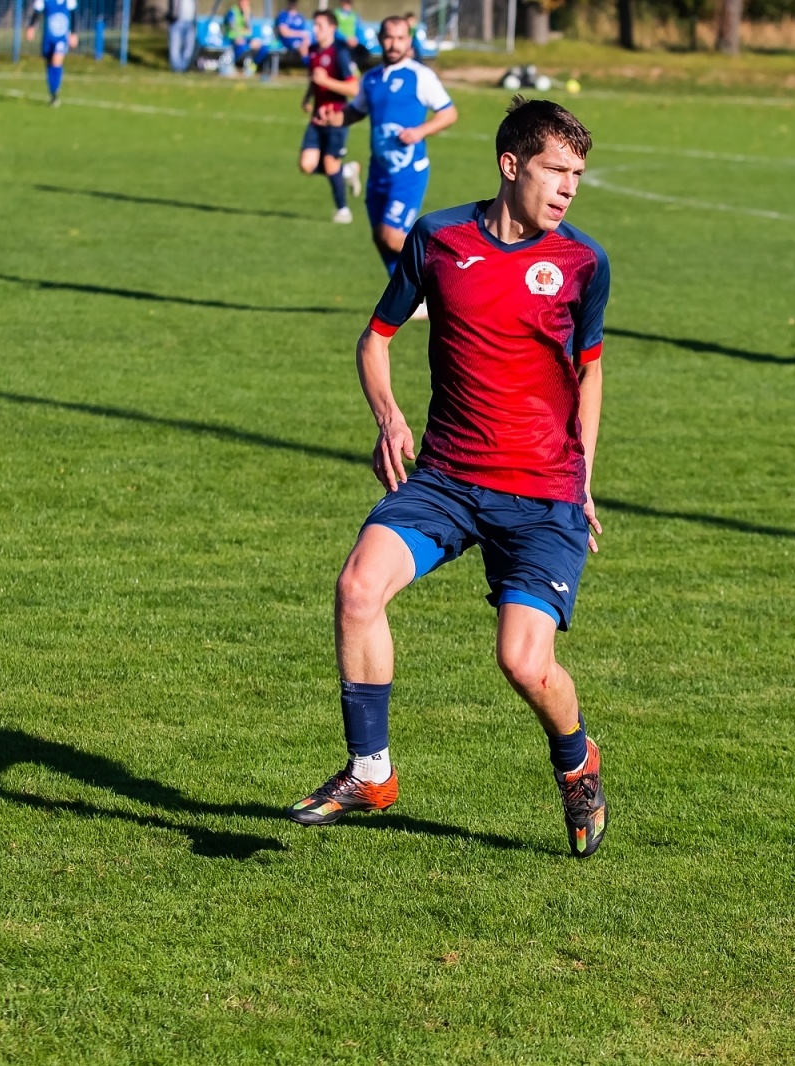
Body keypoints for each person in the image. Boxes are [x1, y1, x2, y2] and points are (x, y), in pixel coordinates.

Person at [287, 98, 613, 860]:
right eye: (556, 171)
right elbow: (375, 339)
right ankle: (372, 771)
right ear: (510, 165)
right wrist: (390, 417)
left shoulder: (583, 262)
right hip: (449, 478)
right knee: (358, 588)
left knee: (522, 662)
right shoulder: (437, 240)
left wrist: (585, 476)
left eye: (577, 176)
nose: (568, 189)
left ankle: (577, 762)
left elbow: (589, 373)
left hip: (542, 494)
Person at [317, 16, 457, 280]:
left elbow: (448, 114)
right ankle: (412, 301)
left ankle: (451, 262)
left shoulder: (420, 76)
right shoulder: (371, 79)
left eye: (401, 38)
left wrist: (419, 131)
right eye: (390, 37)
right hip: (378, 172)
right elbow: (355, 112)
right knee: (380, 239)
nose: (394, 44)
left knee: (391, 237)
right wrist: (332, 117)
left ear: (408, 41)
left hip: (408, 172)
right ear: (381, 39)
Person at [301, 10, 362, 223]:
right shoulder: (313, 50)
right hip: (317, 117)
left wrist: (326, 82)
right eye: (314, 25)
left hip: (337, 117)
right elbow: (314, 79)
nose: (315, 29)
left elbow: (354, 88)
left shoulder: (340, 52)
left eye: (319, 25)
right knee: (306, 165)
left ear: (332, 28)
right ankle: (346, 170)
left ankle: (343, 211)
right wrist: (307, 98)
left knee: (328, 163)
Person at [24, 0, 77, 107]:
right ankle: (52, 91)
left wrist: (74, 34)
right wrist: (31, 28)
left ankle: (55, 92)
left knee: (56, 61)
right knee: (49, 62)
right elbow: (37, 12)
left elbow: (73, 15)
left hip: (62, 37)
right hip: (48, 37)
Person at [221, 0, 262, 75]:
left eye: (246, 2)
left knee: (261, 46)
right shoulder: (232, 11)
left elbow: (250, 30)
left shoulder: (248, 13)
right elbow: (232, 27)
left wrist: (246, 16)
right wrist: (243, 31)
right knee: (241, 44)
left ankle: (252, 66)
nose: (243, 4)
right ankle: (231, 65)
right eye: (242, 2)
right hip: (232, 37)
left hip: (245, 38)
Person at [168, 0, 198, 72]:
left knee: (189, 46)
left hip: (190, 22)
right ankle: (176, 68)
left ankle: (184, 67)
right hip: (177, 21)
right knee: (175, 45)